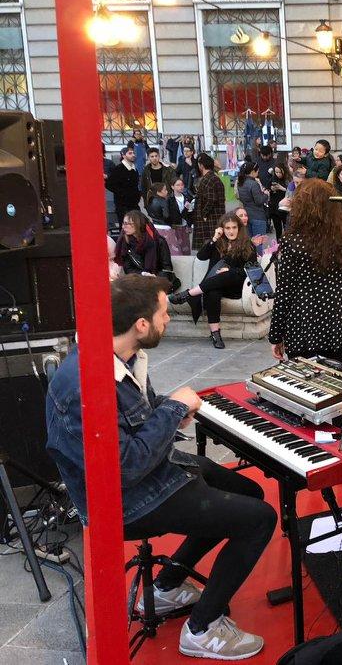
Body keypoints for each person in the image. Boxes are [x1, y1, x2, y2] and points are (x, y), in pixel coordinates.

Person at [45, 275, 275, 660]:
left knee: (247, 491)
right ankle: (202, 628)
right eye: (164, 313)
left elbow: (136, 421)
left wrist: (169, 413)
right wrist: (171, 410)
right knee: (260, 518)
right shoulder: (87, 384)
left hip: (150, 472)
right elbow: (124, 467)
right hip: (126, 501)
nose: (169, 319)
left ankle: (167, 586)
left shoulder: (121, 355)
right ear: (141, 324)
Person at [269, 179, 342, 363]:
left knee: (308, 386)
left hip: (305, 323)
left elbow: (285, 291)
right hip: (340, 319)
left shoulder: (293, 242)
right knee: (340, 383)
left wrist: (276, 336)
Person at [170, 212, 256, 349]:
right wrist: (215, 238)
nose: (231, 231)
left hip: (235, 285)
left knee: (227, 274)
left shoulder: (248, 245)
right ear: (221, 229)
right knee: (212, 293)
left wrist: (230, 271)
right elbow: (201, 256)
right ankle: (215, 333)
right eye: (227, 228)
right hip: (215, 284)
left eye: (234, 227)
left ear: (239, 228)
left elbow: (251, 271)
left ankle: (189, 293)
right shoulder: (217, 243)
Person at [191, 153, 226, 247]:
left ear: (201, 165)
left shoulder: (209, 179)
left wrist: (204, 214)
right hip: (214, 218)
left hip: (211, 219)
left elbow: (211, 200)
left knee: (211, 246)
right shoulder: (213, 178)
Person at [106, 142, 141, 225]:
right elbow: (109, 184)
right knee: (125, 227)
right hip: (123, 205)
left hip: (134, 204)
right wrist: (122, 193)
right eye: (130, 153)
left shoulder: (134, 169)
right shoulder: (118, 169)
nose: (133, 155)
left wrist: (138, 194)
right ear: (123, 155)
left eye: (133, 153)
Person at [115, 210, 160, 274]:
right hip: (137, 279)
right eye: (123, 223)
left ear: (137, 224)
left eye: (126, 224)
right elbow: (128, 268)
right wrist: (143, 274)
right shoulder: (125, 241)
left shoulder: (158, 241)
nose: (123, 227)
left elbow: (166, 269)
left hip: (157, 279)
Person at [237, 161, 269, 244]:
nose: (258, 173)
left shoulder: (240, 183)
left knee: (249, 242)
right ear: (252, 172)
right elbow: (259, 201)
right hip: (258, 215)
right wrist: (266, 195)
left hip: (246, 215)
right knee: (258, 243)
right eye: (257, 171)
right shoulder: (254, 184)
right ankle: (258, 257)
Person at [267, 163, 289, 240]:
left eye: (280, 172)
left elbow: (292, 192)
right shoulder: (272, 179)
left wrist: (282, 188)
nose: (278, 174)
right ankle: (278, 246)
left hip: (285, 208)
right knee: (278, 229)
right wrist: (271, 189)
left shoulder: (288, 179)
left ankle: (287, 245)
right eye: (276, 172)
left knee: (287, 228)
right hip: (274, 207)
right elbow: (267, 189)